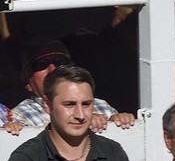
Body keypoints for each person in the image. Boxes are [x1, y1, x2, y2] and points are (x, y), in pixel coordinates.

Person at [2, 64, 147, 161]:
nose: (80, 115)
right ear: (47, 105)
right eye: (69, 104)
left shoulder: (113, 151)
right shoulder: (26, 159)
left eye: (86, 104)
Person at [5, 39, 135, 132]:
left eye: (59, 61)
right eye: (41, 64)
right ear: (27, 82)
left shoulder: (100, 105)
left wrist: (119, 121)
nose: (52, 68)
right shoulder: (19, 115)